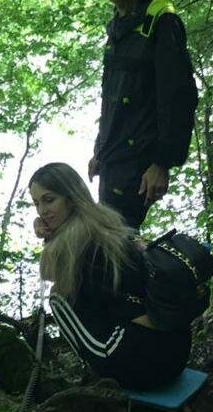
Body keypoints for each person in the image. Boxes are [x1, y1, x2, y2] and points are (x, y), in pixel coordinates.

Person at [29, 162, 190, 389]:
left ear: (71, 197)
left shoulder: (76, 238)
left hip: (150, 361)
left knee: (58, 298)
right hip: (178, 348)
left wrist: (47, 235)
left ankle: (97, 371)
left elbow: (48, 274)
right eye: (36, 203)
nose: (42, 211)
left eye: (49, 200)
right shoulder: (104, 221)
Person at [88, 0, 198, 229]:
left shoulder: (160, 21)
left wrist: (162, 162)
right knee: (109, 240)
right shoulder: (119, 25)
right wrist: (99, 150)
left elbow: (179, 96)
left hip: (138, 165)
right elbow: (112, 99)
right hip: (112, 159)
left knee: (115, 241)